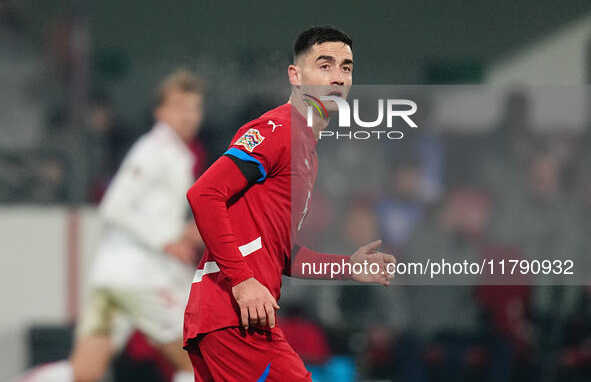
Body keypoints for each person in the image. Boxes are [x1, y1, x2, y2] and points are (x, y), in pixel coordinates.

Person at [184, 26, 396, 381]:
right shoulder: (278, 128)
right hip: (235, 316)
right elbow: (203, 194)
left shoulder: (306, 152)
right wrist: (243, 282)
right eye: (324, 65)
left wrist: (346, 266)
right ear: (295, 76)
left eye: (346, 67)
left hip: (231, 317)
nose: (338, 77)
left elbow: (280, 253)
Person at [18, 69, 205, 382]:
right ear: (160, 112)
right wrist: (168, 240)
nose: (188, 116)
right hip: (141, 278)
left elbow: (157, 215)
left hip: (113, 278)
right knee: (200, 363)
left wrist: (184, 233)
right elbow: (114, 207)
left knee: (84, 372)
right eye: (179, 107)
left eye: (194, 108)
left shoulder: (174, 153)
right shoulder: (154, 150)